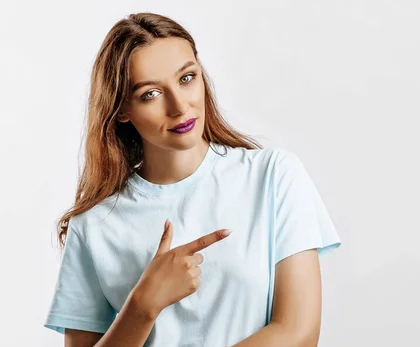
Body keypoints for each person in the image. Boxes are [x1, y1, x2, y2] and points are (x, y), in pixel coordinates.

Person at [43, 12, 341, 347]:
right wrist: (143, 305)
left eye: (186, 78)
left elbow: (298, 333)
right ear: (122, 109)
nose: (179, 106)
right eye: (150, 94)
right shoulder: (93, 225)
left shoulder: (274, 176)